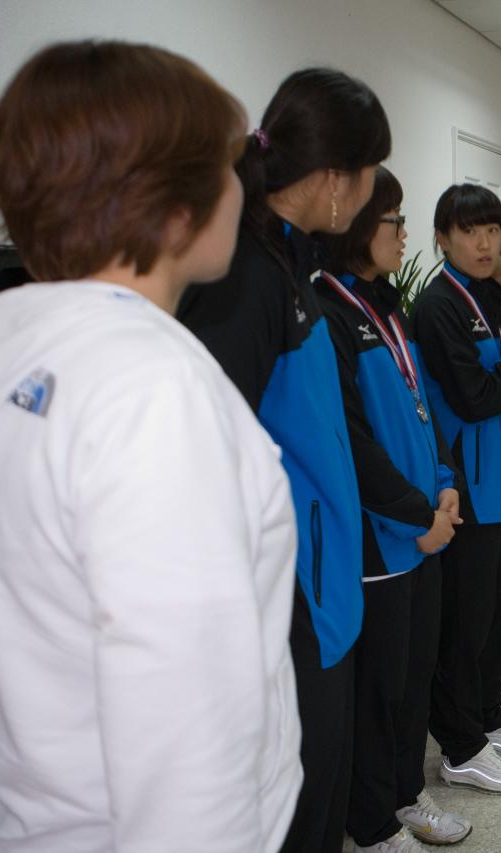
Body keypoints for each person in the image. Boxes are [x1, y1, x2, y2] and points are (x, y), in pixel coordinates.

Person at [0, 40, 300, 853]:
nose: (242, 190)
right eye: (227, 169)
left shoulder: (21, 360)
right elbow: (184, 735)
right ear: (172, 208)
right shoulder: (152, 394)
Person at [177, 67, 389, 853]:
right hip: (286, 593)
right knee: (297, 809)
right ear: (335, 180)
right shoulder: (247, 277)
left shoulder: (292, 263)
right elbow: (212, 450)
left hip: (322, 577)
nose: (369, 201)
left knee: (322, 793)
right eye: (367, 180)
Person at [315, 167, 472, 852]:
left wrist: (443, 481)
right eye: (394, 222)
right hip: (383, 541)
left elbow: (418, 409)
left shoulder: (384, 305)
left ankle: (406, 794)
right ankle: (373, 822)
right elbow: (353, 444)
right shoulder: (326, 313)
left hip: (423, 527)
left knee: (412, 676)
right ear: (353, 225)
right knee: (378, 692)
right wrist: (419, 516)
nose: (405, 234)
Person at [413, 184, 501, 795]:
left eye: (493, 231)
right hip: (465, 489)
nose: (486, 243)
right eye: (470, 231)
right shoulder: (438, 305)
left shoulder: (493, 296)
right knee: (466, 625)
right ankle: (460, 745)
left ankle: (486, 718)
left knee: (496, 619)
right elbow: (473, 398)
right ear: (441, 237)